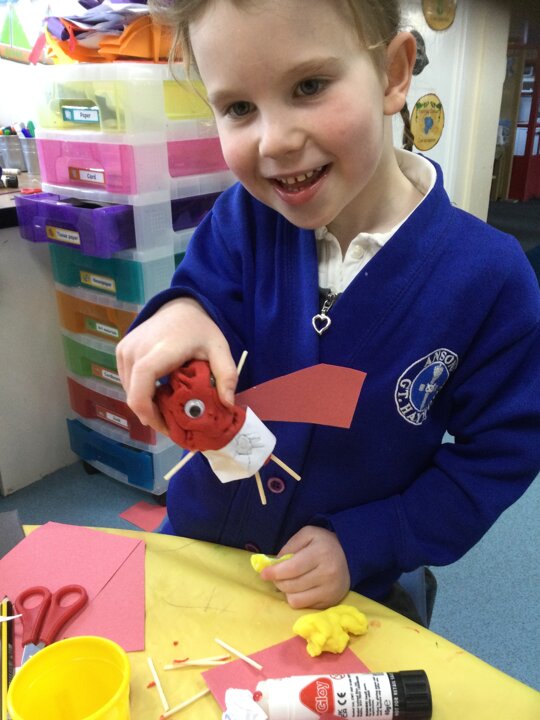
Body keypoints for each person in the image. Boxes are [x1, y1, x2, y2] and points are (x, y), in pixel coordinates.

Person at [116, 0, 540, 622]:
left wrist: (375, 537)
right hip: (199, 560)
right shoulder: (239, 220)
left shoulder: (490, 278)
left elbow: (502, 451)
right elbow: (198, 299)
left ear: (393, 74)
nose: (275, 140)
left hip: (351, 590)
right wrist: (178, 312)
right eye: (239, 107)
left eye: (309, 86)